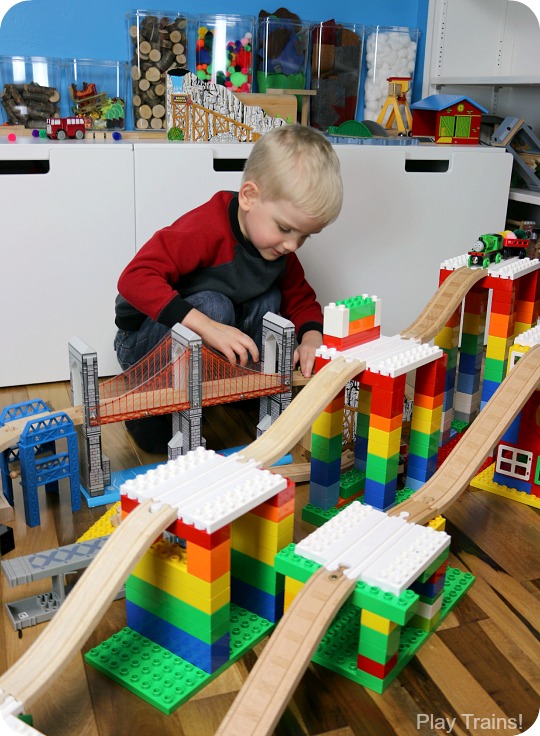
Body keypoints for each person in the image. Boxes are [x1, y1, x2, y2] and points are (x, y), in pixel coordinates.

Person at [114, 123, 343, 451]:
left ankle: (236, 386)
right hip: (141, 346)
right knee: (214, 305)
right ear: (250, 197)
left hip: (205, 343)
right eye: (285, 228)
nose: (293, 245)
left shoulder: (276, 248)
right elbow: (133, 278)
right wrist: (208, 326)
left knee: (270, 298)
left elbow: (300, 297)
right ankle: (149, 404)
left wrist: (312, 339)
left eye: (305, 236)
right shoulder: (205, 228)